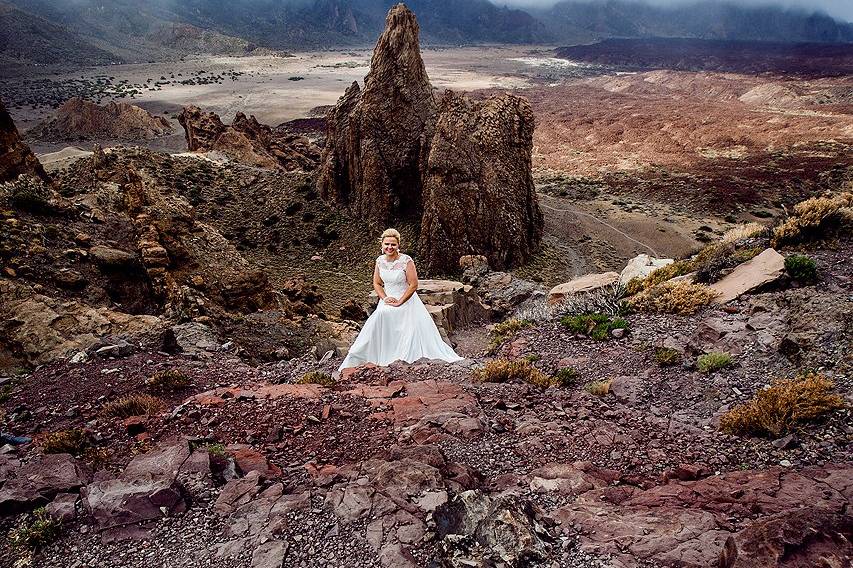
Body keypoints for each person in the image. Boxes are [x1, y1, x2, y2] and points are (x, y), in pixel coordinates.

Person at [338, 228, 463, 371]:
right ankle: (372, 354)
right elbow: (377, 283)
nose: (389, 247)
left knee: (402, 319)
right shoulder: (379, 261)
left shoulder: (406, 261)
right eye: (387, 244)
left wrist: (400, 301)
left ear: (398, 245)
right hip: (388, 299)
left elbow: (413, 284)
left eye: (393, 244)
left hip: (406, 299)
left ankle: (402, 356)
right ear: (382, 245)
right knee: (381, 314)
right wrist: (384, 298)